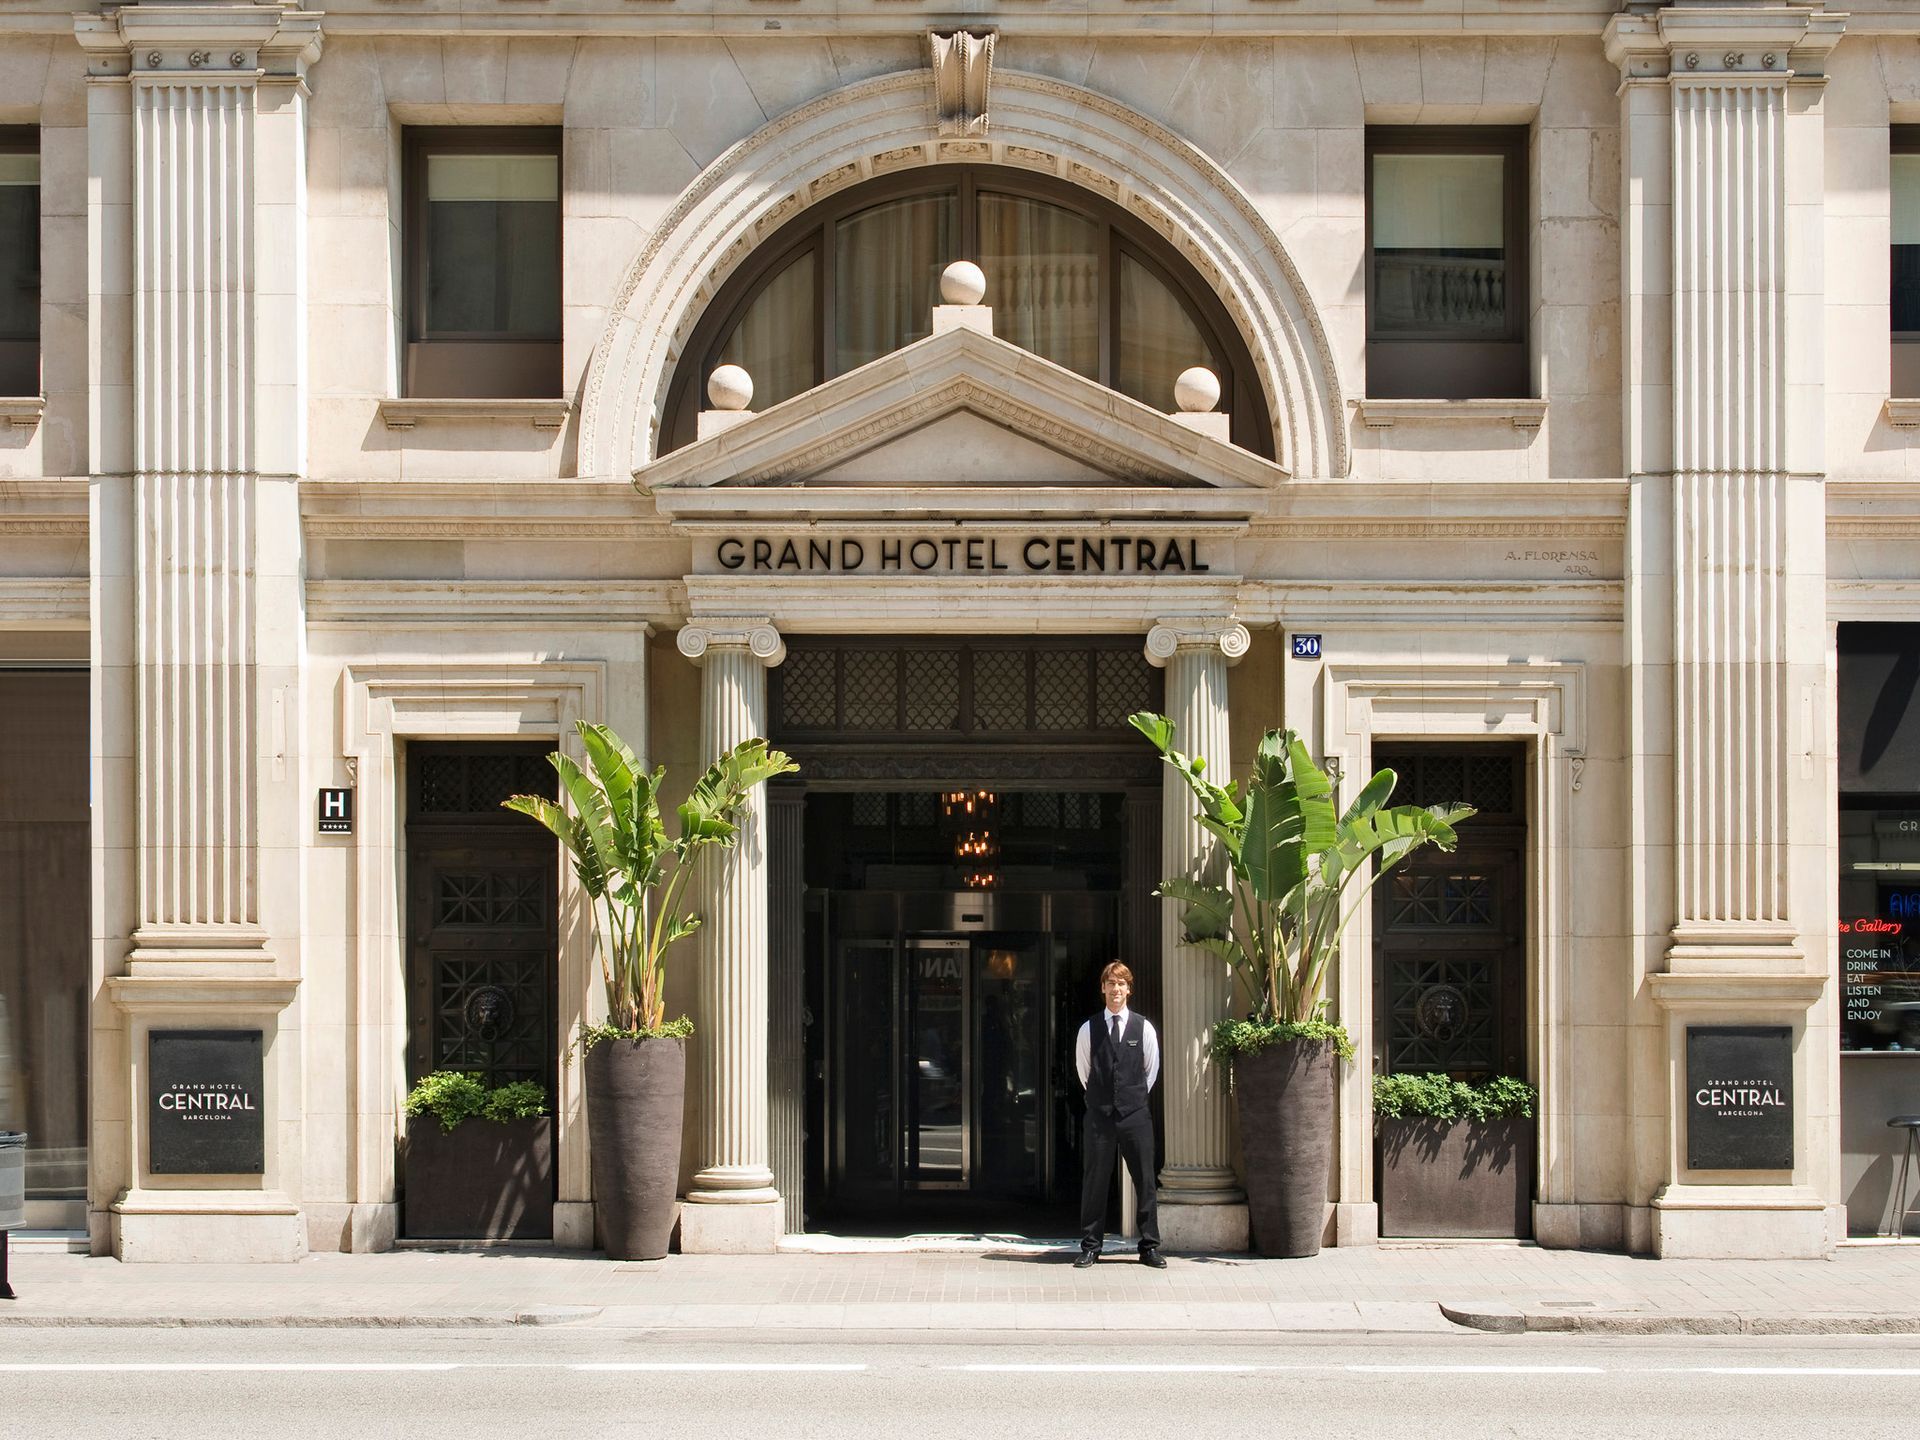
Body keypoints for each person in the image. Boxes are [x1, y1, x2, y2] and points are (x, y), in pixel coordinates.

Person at [1073, 961, 1163, 1268]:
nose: (1116, 989)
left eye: (1121, 984)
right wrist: (1102, 1099)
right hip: (1099, 1115)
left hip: (1135, 1114)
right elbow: (1084, 1071)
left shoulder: (1143, 1027)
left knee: (1145, 1180)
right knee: (1095, 1180)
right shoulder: (1089, 1029)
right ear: (1102, 988)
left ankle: (1149, 1246)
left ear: (1129, 989)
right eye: (1111, 983)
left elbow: (1150, 1071)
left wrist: (1132, 1096)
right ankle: (1090, 1246)